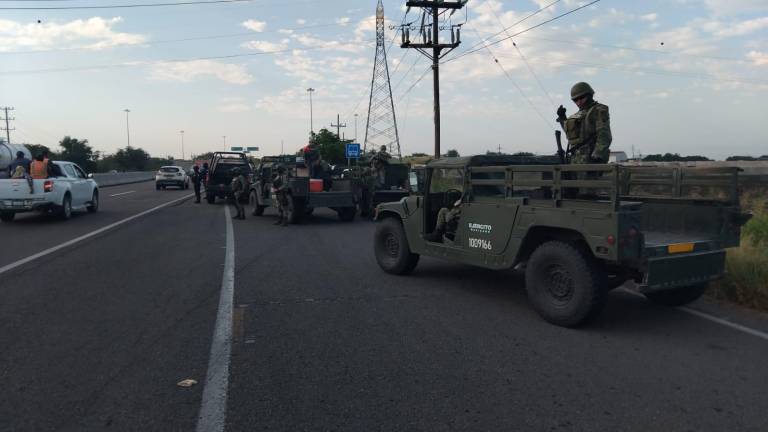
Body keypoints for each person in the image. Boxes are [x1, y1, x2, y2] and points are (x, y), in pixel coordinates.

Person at [556, 82, 612, 164]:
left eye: (582, 98)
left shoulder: (598, 110)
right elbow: (572, 135)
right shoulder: (578, 115)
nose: (579, 102)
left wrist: (597, 155)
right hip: (576, 159)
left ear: (590, 95)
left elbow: (604, 135)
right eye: (575, 100)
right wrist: (562, 118)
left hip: (591, 160)